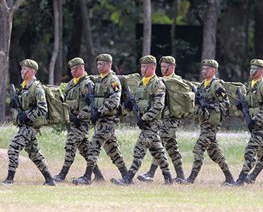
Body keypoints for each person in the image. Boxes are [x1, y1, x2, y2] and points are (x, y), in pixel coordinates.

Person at [111, 55, 173, 185]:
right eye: (142, 66)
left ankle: (128, 179)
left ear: (153, 68)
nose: (142, 69)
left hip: (152, 124)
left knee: (139, 149)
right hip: (145, 124)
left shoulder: (158, 84)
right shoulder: (141, 83)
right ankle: (168, 178)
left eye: (145, 67)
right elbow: (138, 103)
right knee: (158, 152)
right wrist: (128, 107)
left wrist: (145, 118)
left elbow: (159, 105)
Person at [73, 54, 128, 185]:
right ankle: (127, 177)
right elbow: (93, 102)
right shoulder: (97, 81)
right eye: (97, 64)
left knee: (94, 145)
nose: (98, 67)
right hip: (100, 120)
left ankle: (87, 177)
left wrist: (100, 111)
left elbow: (115, 100)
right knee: (113, 150)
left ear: (109, 65)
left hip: (109, 119)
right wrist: (82, 115)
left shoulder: (113, 80)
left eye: (101, 64)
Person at [3, 59, 55, 186]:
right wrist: (15, 105)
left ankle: (10, 179)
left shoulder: (37, 88)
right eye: (22, 69)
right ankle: (49, 179)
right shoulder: (24, 87)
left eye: (25, 69)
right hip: (25, 126)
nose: (22, 72)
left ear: (33, 71)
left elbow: (43, 109)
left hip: (32, 126)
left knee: (13, 148)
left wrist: (26, 116)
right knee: (34, 153)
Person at [53, 57, 104, 182]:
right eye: (71, 69)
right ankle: (98, 175)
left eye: (74, 69)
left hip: (82, 122)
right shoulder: (71, 83)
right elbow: (65, 102)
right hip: (73, 121)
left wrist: (80, 116)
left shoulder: (87, 84)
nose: (72, 71)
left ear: (81, 68)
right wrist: (68, 116)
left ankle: (62, 174)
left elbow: (92, 105)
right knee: (85, 149)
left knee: (70, 144)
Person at [185, 59, 235, 185]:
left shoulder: (217, 85)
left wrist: (211, 106)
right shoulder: (202, 86)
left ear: (213, 70)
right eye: (203, 69)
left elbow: (226, 105)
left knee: (198, 148)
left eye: (206, 69)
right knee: (214, 152)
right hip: (204, 122)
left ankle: (191, 178)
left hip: (212, 124)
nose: (204, 71)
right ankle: (229, 178)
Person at [138, 55, 185, 183]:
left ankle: (151, 173)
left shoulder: (177, 81)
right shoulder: (161, 80)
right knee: (171, 147)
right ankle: (181, 175)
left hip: (173, 119)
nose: (163, 69)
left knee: (159, 143)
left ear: (172, 67)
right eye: (162, 66)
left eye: (165, 66)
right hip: (164, 118)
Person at [234, 59, 263, 187]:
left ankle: (240, 180)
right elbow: (249, 104)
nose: (252, 71)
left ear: (262, 71)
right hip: (253, 124)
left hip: (261, 125)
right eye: (251, 68)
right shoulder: (249, 86)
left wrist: (256, 120)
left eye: (256, 69)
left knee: (250, 151)